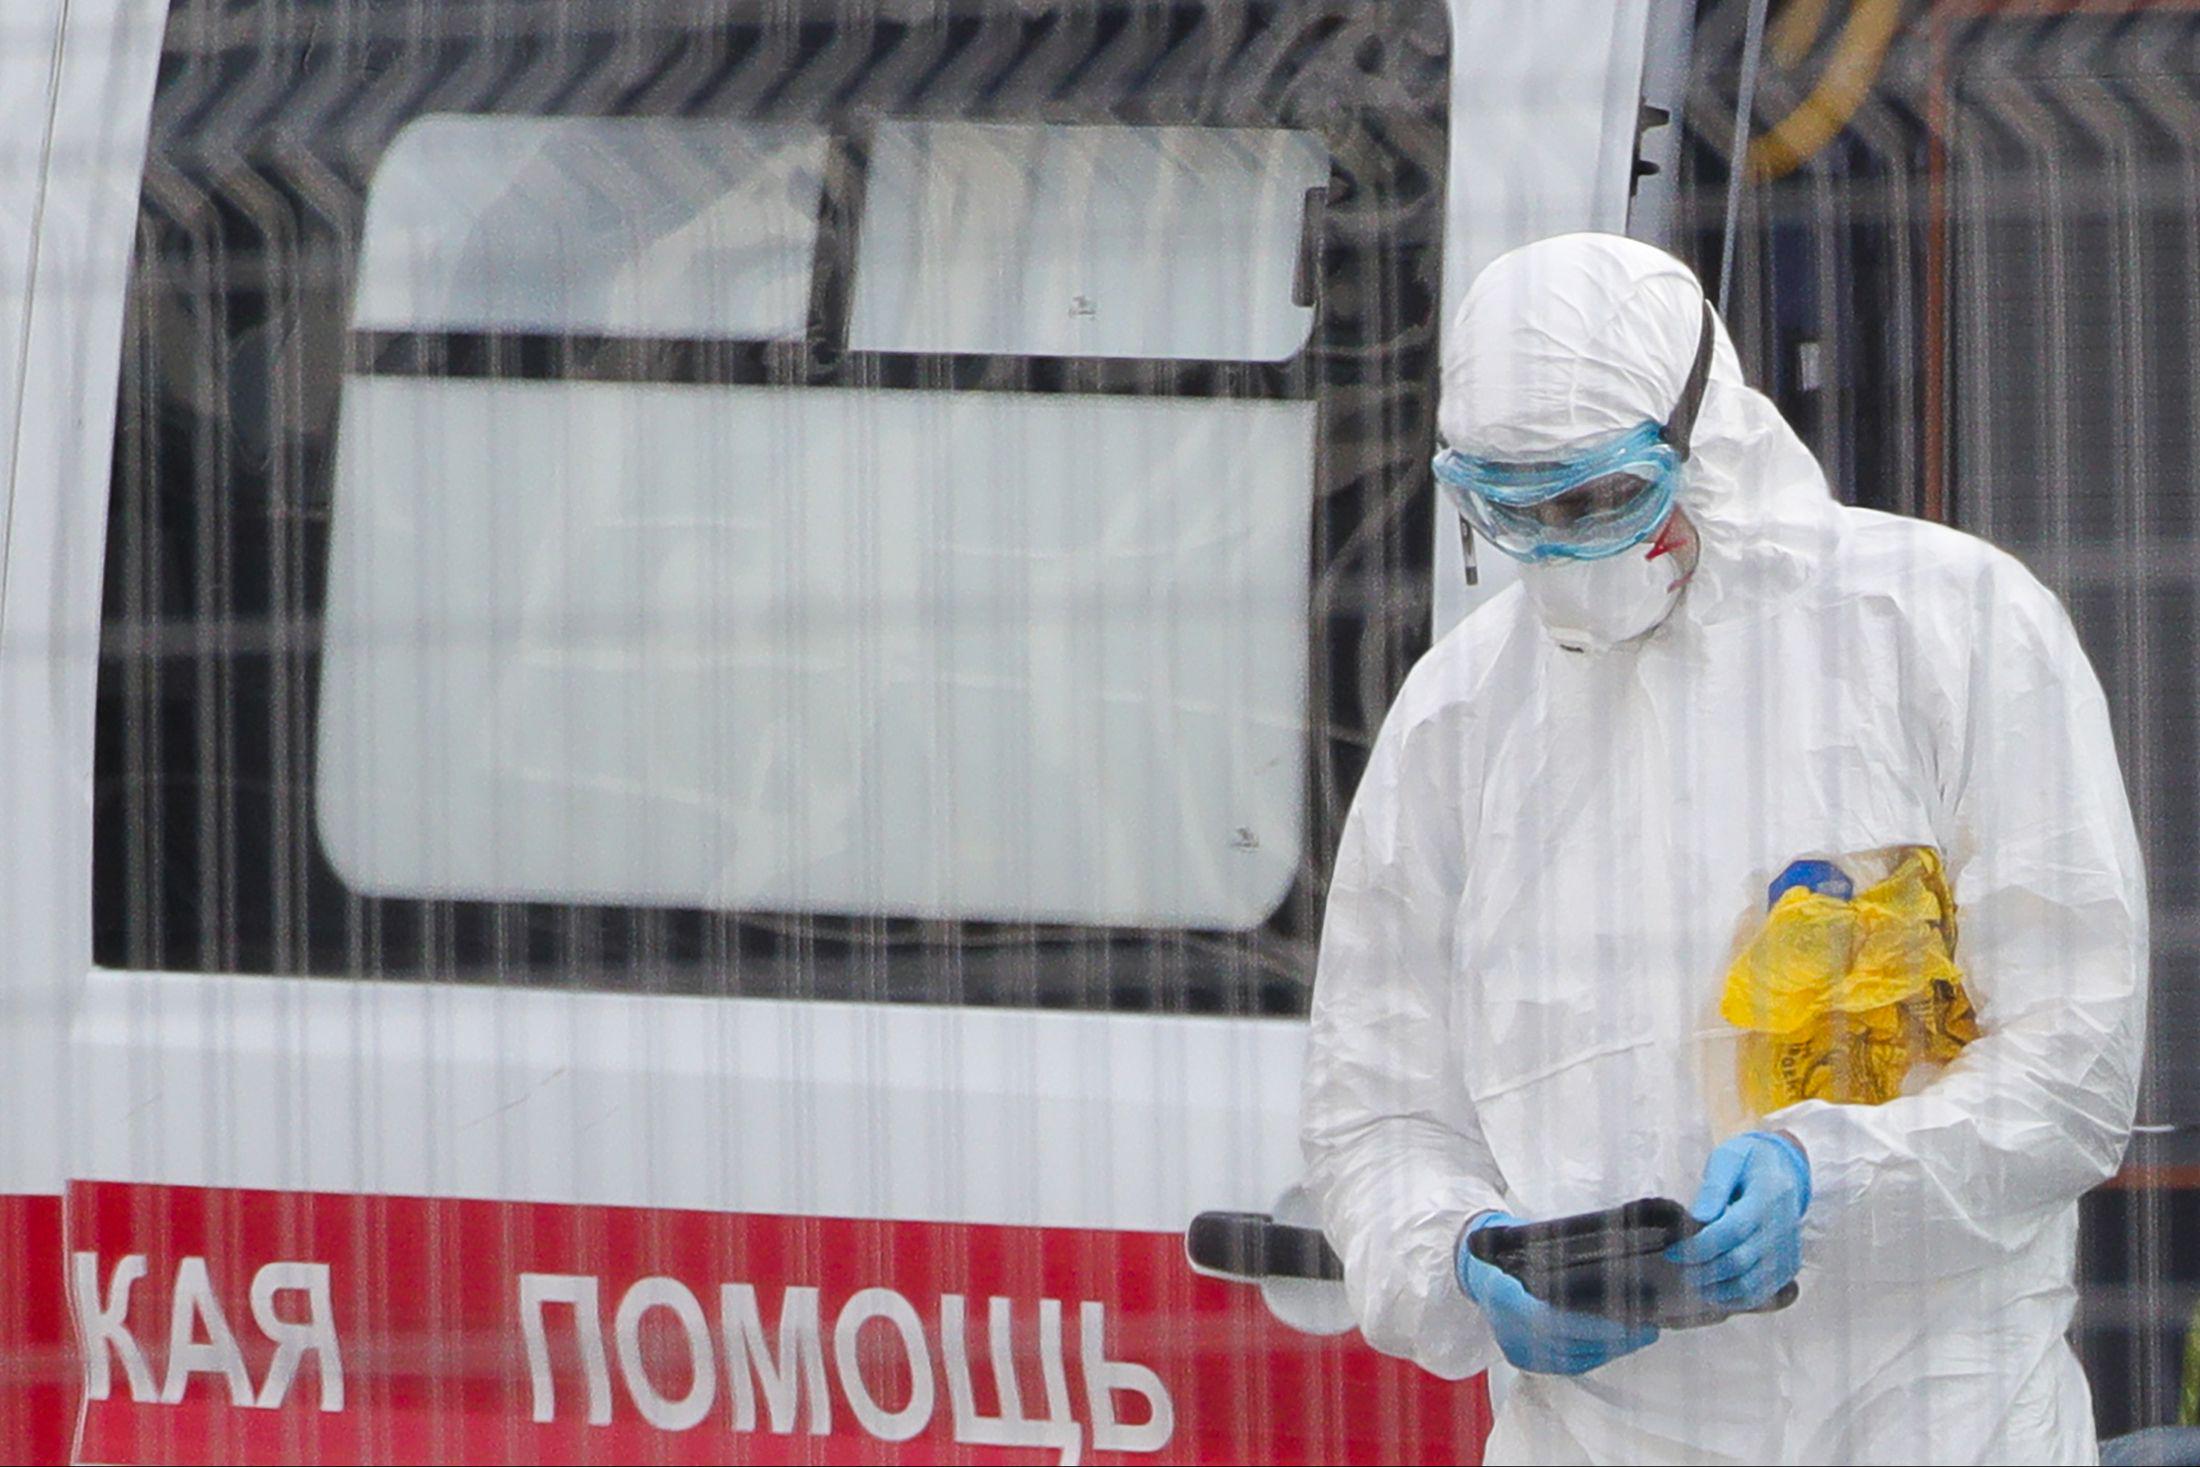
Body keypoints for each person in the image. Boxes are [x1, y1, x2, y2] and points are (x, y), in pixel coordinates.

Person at [1300, 232, 2147, 1464]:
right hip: (1604, 1437)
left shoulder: (1949, 627)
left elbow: (2077, 1065)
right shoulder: (1460, 718)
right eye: (1510, 510)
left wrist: (1834, 1180)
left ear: (1707, 437)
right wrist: (1462, 1256)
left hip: (1939, 1415)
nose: (1560, 549)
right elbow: (1373, 1112)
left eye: (1598, 499)